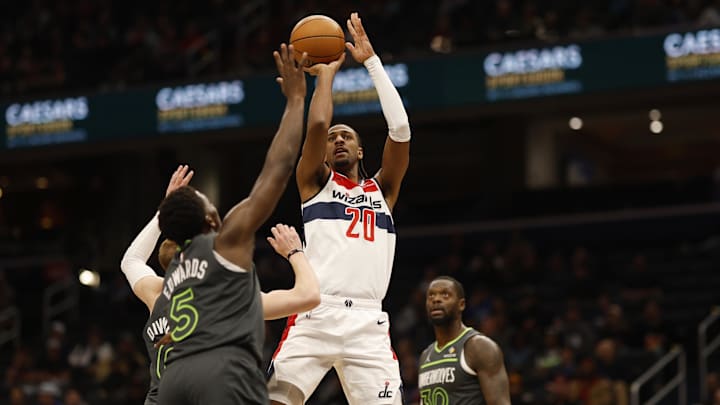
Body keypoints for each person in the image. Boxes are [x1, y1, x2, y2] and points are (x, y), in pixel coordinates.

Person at [150, 43, 308, 405]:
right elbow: (277, 169)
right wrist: (296, 100)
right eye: (207, 199)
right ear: (208, 218)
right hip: (223, 369)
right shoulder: (226, 240)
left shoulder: (175, 264)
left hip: (174, 378)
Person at [268, 12, 410, 405]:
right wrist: (326, 77)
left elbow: (400, 131)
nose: (338, 140)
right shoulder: (314, 182)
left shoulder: (384, 190)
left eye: (347, 136)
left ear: (362, 149)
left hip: (367, 322)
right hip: (316, 312)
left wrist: (371, 63)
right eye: (334, 139)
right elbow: (315, 128)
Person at [120, 167, 321, 405]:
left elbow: (131, 260)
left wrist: (164, 212)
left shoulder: (157, 291)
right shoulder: (229, 297)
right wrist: (295, 252)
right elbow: (308, 296)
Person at [419, 276, 511, 405]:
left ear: (461, 304)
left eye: (445, 295)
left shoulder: (479, 347)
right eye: (431, 296)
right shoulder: (426, 355)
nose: (436, 299)